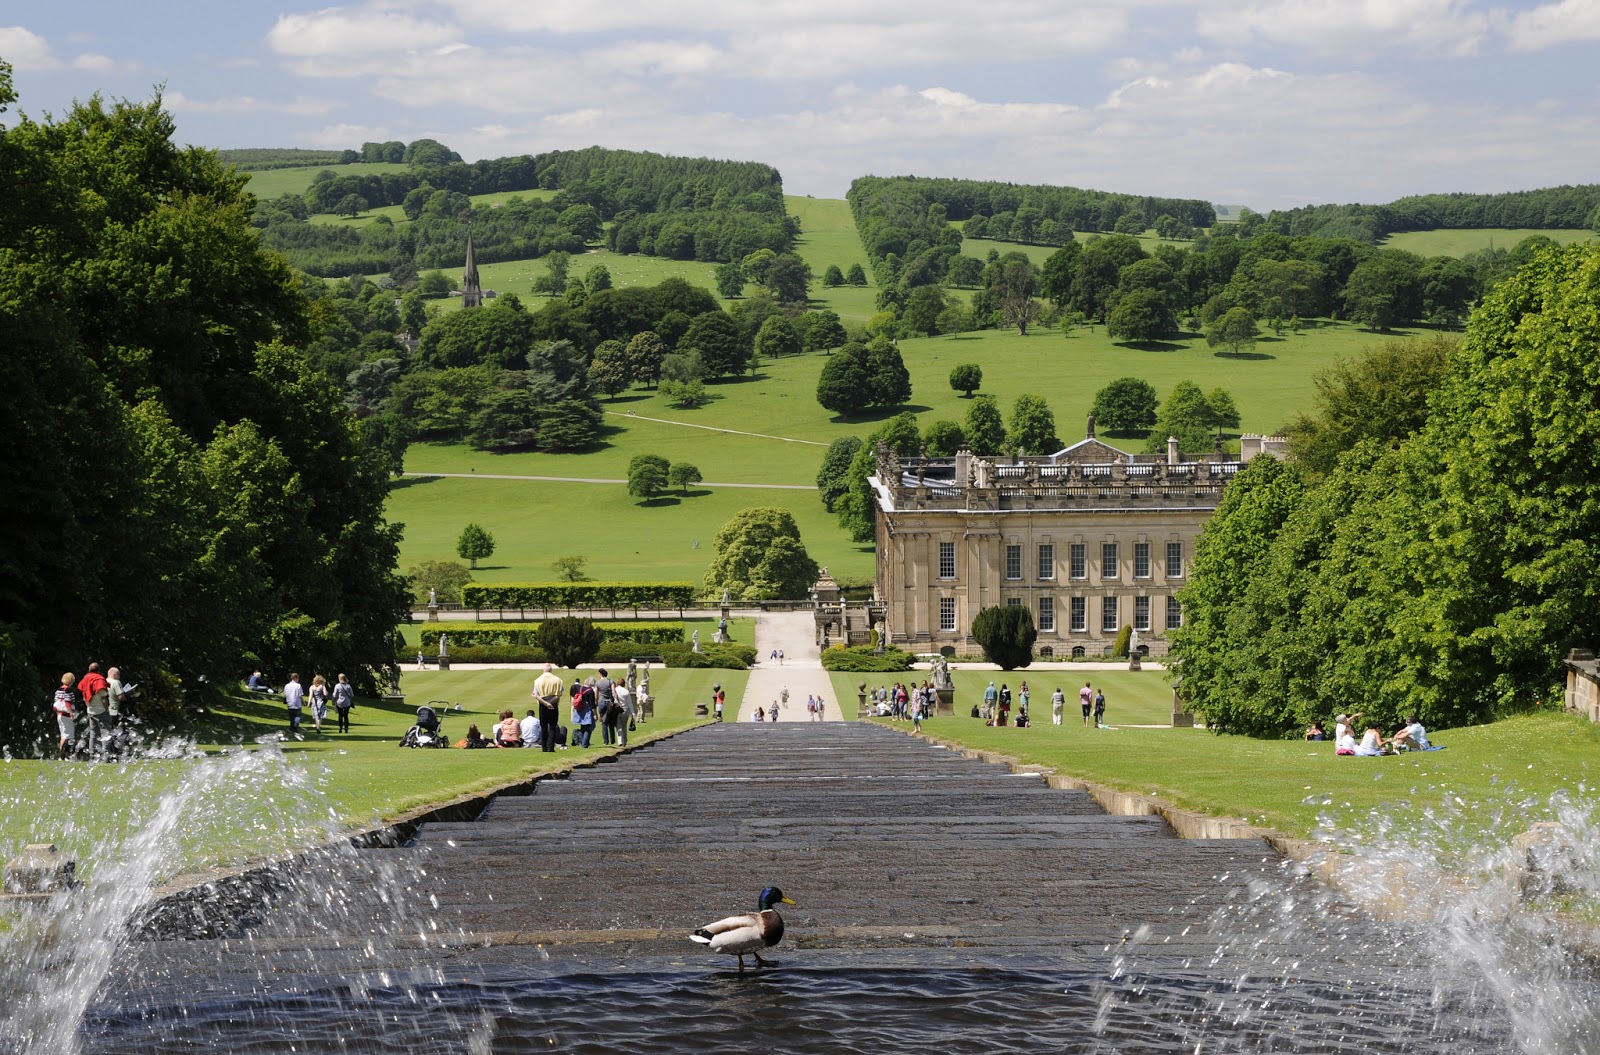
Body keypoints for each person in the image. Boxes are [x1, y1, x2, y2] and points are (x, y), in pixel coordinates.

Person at [533, 663, 564, 752]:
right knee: (553, 726)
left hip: (542, 703)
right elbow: (559, 694)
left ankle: (544, 747)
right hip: (553, 702)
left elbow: (536, 695)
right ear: (551, 670)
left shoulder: (538, 680)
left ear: (543, 670)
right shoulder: (558, 680)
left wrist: (545, 703)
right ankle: (550, 747)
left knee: (543, 726)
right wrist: (550, 703)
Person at [53, 672, 77, 760]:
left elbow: (56, 703)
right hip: (66, 715)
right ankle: (65, 755)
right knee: (68, 735)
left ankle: (62, 755)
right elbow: (67, 703)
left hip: (59, 714)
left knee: (63, 735)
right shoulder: (68, 690)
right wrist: (72, 714)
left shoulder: (58, 690)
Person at [595, 668, 618, 746]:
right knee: (611, 721)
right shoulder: (610, 681)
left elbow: (596, 695)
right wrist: (616, 700)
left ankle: (605, 741)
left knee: (603, 722)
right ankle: (612, 739)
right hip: (609, 703)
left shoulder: (598, 683)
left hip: (601, 702)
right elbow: (613, 692)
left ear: (600, 674)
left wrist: (596, 703)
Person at [572, 677, 597, 748]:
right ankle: (584, 744)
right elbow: (592, 704)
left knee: (583, 726)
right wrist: (595, 714)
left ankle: (583, 741)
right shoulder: (590, 691)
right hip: (587, 710)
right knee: (588, 728)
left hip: (579, 709)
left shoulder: (580, 688)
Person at [283, 673, 305, 739]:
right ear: (295, 678)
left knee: (291, 717)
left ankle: (292, 728)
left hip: (290, 703)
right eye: (298, 678)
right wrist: (303, 702)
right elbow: (300, 695)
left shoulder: (287, 685)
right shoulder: (298, 685)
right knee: (297, 716)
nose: (298, 679)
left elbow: (285, 694)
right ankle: (295, 728)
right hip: (297, 703)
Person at [614, 681, 633, 746]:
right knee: (624, 726)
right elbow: (629, 703)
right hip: (625, 710)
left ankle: (620, 741)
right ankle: (624, 741)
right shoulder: (626, 691)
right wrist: (632, 712)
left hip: (617, 710)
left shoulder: (615, 690)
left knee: (618, 726)